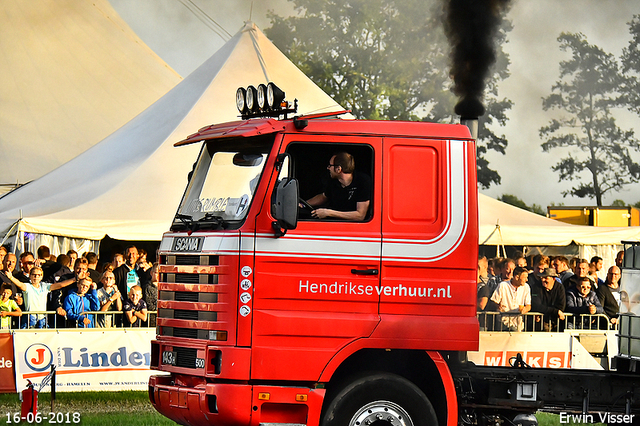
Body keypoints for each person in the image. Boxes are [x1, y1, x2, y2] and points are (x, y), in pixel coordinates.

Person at [304, 152, 371, 221]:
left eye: (330, 165)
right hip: (335, 224)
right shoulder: (333, 182)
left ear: (338, 169)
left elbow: (360, 215)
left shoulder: (363, 181)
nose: (328, 168)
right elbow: (324, 197)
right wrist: (303, 204)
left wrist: (328, 213)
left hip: (355, 228)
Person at [6, 266, 77, 328]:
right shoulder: (27, 286)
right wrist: (11, 277)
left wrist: (74, 279)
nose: (36, 277)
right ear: (30, 275)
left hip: (42, 318)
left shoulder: (45, 286)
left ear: (41, 277)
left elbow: (60, 285)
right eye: (34, 275)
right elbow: (20, 284)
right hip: (30, 319)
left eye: (39, 275)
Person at [490, 266, 531, 331]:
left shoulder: (526, 287)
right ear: (517, 277)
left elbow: (528, 305)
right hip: (504, 320)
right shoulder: (503, 285)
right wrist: (498, 306)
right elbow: (493, 300)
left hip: (518, 322)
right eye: (525, 278)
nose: (527, 280)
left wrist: (525, 309)